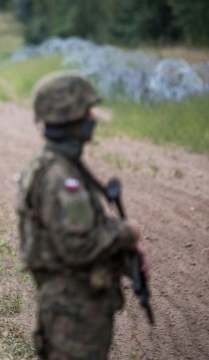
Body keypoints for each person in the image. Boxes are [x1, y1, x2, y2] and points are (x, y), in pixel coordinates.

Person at [16, 73, 150, 360]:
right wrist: (126, 232)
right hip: (73, 312)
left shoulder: (56, 164)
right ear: (71, 118)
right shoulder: (60, 176)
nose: (93, 117)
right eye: (87, 111)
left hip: (73, 307)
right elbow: (77, 246)